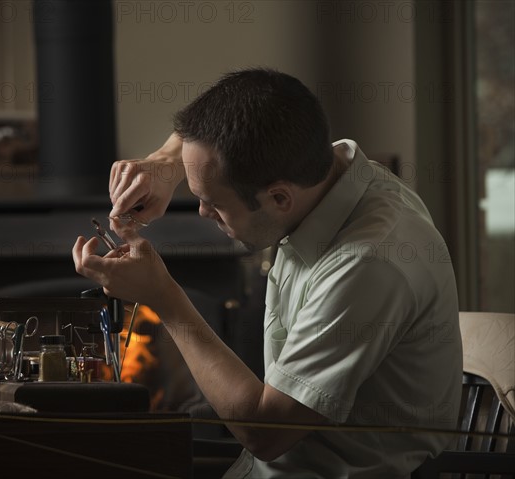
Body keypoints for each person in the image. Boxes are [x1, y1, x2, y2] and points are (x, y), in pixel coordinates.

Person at [73, 68, 463, 478]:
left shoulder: (366, 263)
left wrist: (164, 298)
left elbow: (265, 433)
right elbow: (251, 103)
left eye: (214, 204)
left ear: (278, 197)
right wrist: (166, 163)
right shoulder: (316, 166)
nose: (203, 212)